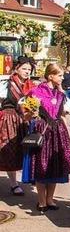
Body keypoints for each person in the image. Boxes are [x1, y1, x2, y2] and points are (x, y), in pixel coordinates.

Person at [22, 63, 70, 213]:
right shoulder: (36, 92)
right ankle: (41, 200)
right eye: (59, 75)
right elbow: (26, 113)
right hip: (42, 130)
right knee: (41, 164)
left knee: (54, 166)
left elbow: (62, 114)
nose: (62, 77)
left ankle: (50, 198)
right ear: (50, 76)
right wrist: (31, 115)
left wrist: (66, 130)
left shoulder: (60, 94)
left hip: (58, 131)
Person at [0, 57, 35, 195]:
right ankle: (14, 183)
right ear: (17, 69)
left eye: (29, 69)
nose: (27, 72)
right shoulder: (6, 84)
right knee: (9, 151)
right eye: (24, 69)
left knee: (26, 150)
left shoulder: (31, 85)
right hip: (8, 119)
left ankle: (27, 177)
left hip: (25, 120)